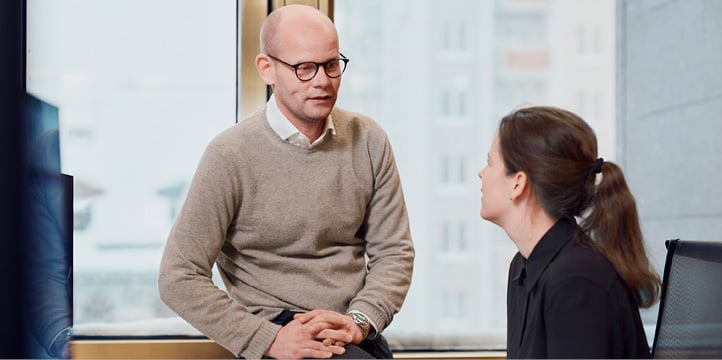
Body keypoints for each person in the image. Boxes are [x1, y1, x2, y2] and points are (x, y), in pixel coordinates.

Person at [158, 4, 414, 360]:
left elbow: (395, 252)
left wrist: (360, 319)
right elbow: (178, 276)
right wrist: (267, 339)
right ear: (267, 69)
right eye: (304, 68)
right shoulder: (230, 155)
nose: (322, 81)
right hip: (280, 336)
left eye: (331, 65)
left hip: (352, 332)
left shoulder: (368, 140)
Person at [477, 106, 661, 358]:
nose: (481, 173)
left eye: (489, 163)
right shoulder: (523, 267)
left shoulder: (576, 281)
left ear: (518, 183)